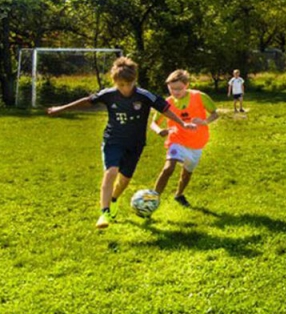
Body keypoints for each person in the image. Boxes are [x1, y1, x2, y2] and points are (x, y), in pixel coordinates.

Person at [46, 56, 192, 228]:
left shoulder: (144, 95)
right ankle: (104, 213)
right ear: (115, 82)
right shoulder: (108, 94)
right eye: (121, 85)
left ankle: (113, 199)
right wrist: (60, 108)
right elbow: (87, 101)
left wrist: (182, 124)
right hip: (113, 140)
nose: (125, 88)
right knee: (111, 172)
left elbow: (165, 109)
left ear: (134, 80)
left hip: (135, 144)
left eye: (128, 84)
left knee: (124, 180)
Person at [152, 69, 219, 208]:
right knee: (168, 168)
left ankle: (179, 194)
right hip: (176, 140)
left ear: (186, 85)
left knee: (187, 173)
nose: (175, 92)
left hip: (197, 143)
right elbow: (153, 123)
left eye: (179, 89)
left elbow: (215, 113)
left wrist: (205, 122)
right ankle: (152, 199)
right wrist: (159, 131)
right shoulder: (167, 103)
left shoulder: (199, 96)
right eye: (172, 89)